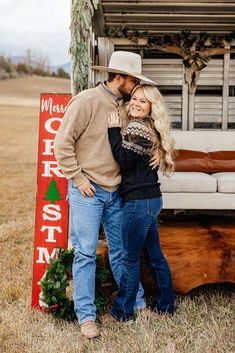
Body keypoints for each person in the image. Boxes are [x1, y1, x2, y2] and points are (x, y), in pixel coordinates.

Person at [54, 51, 159, 338]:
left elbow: (144, 133)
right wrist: (77, 178)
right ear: (121, 78)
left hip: (117, 191)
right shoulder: (87, 101)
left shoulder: (126, 106)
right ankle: (87, 317)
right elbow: (61, 144)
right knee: (86, 253)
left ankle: (136, 303)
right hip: (88, 191)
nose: (135, 87)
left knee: (122, 252)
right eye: (133, 81)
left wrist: (158, 150)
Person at [106, 84, 176, 322]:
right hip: (151, 200)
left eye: (142, 101)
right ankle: (166, 307)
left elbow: (125, 160)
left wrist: (114, 130)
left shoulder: (137, 126)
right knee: (155, 257)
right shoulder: (150, 127)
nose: (135, 103)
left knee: (129, 258)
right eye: (133, 98)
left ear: (151, 107)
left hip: (138, 202)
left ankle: (122, 312)